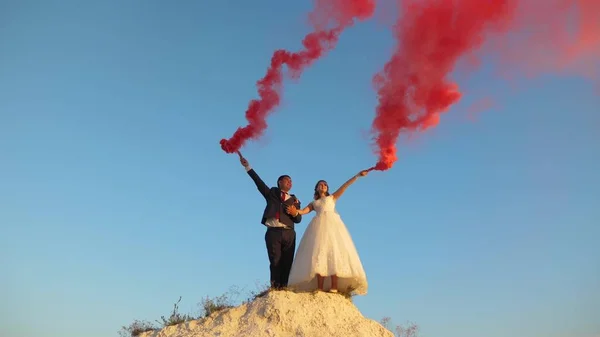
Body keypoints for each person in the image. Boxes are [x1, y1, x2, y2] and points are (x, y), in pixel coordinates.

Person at [285, 170, 369, 295]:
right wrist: (295, 211)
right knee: (319, 254)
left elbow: (345, 186)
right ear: (316, 189)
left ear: (327, 188)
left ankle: (334, 286)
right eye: (320, 184)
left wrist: (357, 176)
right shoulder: (314, 203)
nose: (323, 185)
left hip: (333, 227)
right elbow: (303, 211)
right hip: (318, 228)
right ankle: (319, 286)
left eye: (325, 184)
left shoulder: (332, 197)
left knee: (333, 254)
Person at [239, 154, 303, 289]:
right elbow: (258, 182)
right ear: (279, 182)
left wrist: (295, 213)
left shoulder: (295, 200)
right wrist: (247, 167)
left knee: (287, 261)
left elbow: (298, 220)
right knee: (275, 260)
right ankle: (275, 287)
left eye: (291, 181)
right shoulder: (271, 193)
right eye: (286, 180)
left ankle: (285, 286)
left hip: (289, 232)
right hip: (273, 231)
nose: (289, 183)